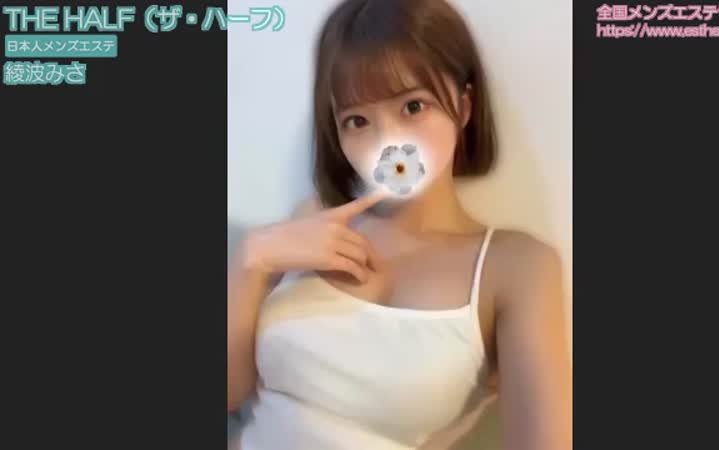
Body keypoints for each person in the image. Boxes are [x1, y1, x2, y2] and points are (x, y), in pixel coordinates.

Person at [227, 0, 572, 448]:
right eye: (357, 120)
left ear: (464, 106)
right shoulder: (310, 222)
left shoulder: (518, 267)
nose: (387, 141)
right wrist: (252, 259)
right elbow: (229, 394)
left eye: (413, 106)